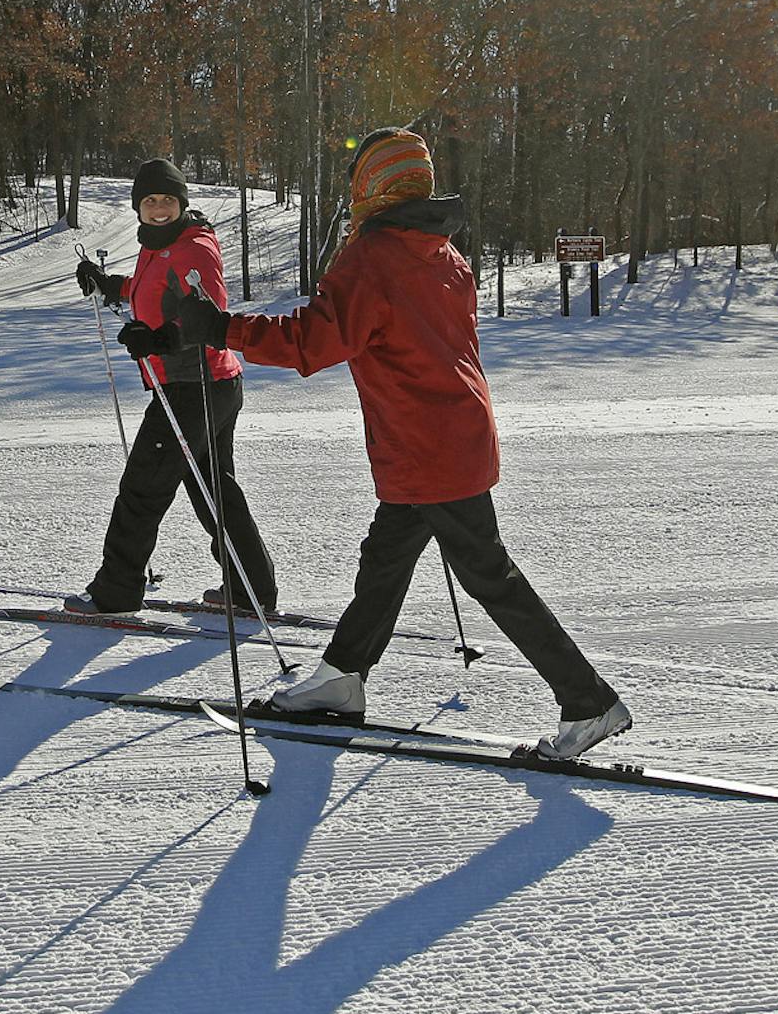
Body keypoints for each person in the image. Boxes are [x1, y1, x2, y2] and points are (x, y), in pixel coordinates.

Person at [164, 128, 631, 760]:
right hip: (447, 436)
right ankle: (342, 676)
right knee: (385, 561)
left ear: (370, 186)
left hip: (428, 447)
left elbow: (313, 342)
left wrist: (220, 326)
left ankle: (588, 701)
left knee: (489, 576)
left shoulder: (375, 258)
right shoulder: (442, 254)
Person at [69, 157, 279, 617]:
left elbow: (209, 313)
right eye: (150, 200)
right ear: (138, 207)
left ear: (182, 203)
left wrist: (161, 338)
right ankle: (251, 588)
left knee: (142, 490)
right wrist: (110, 284)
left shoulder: (193, 247)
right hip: (212, 385)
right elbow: (152, 289)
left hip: (193, 386)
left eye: (167, 200)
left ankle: (116, 592)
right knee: (213, 489)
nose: (159, 208)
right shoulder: (159, 244)